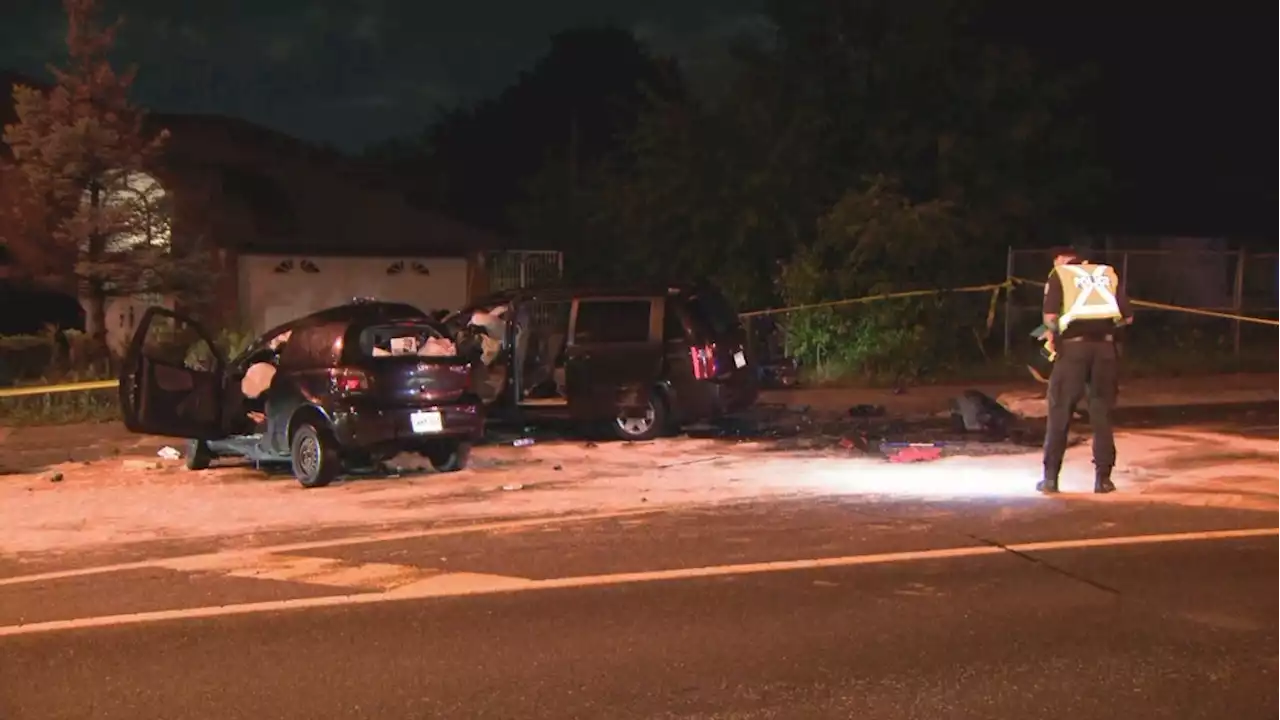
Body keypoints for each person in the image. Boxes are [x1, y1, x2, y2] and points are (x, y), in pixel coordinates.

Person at [1039, 246, 1134, 494]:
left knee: (1060, 411)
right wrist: (1104, 329)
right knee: (1101, 413)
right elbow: (1127, 318)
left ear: (1062, 259)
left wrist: (1056, 332)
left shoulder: (1060, 275)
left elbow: (1049, 318)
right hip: (1105, 350)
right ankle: (1103, 480)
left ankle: (1050, 479)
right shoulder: (1107, 273)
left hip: (1073, 351)